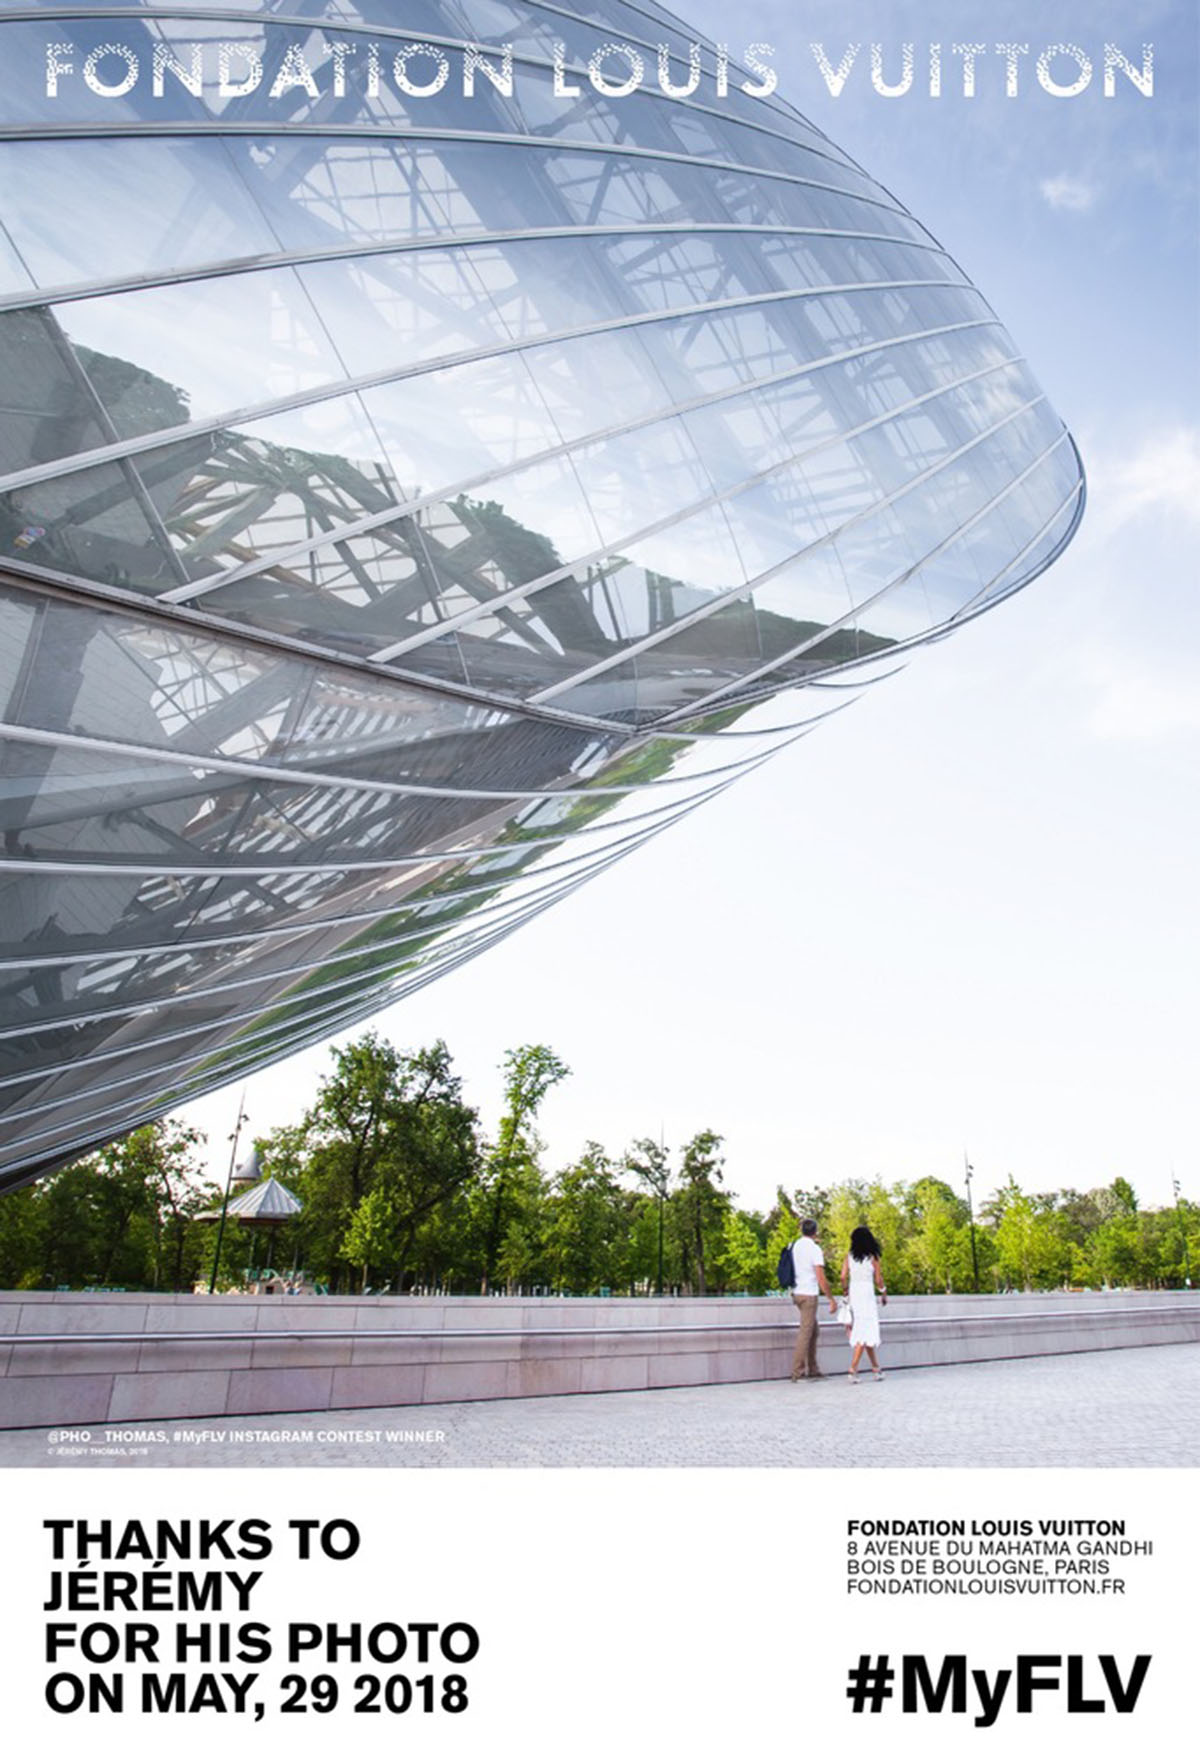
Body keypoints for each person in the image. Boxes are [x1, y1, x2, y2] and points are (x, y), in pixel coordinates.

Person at [788, 1218, 838, 1380]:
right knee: (806, 1332)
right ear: (815, 1231)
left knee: (813, 1331)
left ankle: (813, 1368)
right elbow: (820, 1277)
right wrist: (830, 1298)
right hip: (809, 1294)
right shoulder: (814, 1249)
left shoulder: (794, 1246)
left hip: (796, 1292)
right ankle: (798, 1372)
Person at [839, 1225, 887, 1382]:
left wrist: (845, 1290)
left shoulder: (849, 1256)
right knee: (864, 1329)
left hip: (855, 1292)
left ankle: (876, 1368)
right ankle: (852, 1370)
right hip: (867, 1293)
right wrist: (883, 1292)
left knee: (864, 1329)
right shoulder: (873, 1257)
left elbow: (842, 1276)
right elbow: (878, 1280)